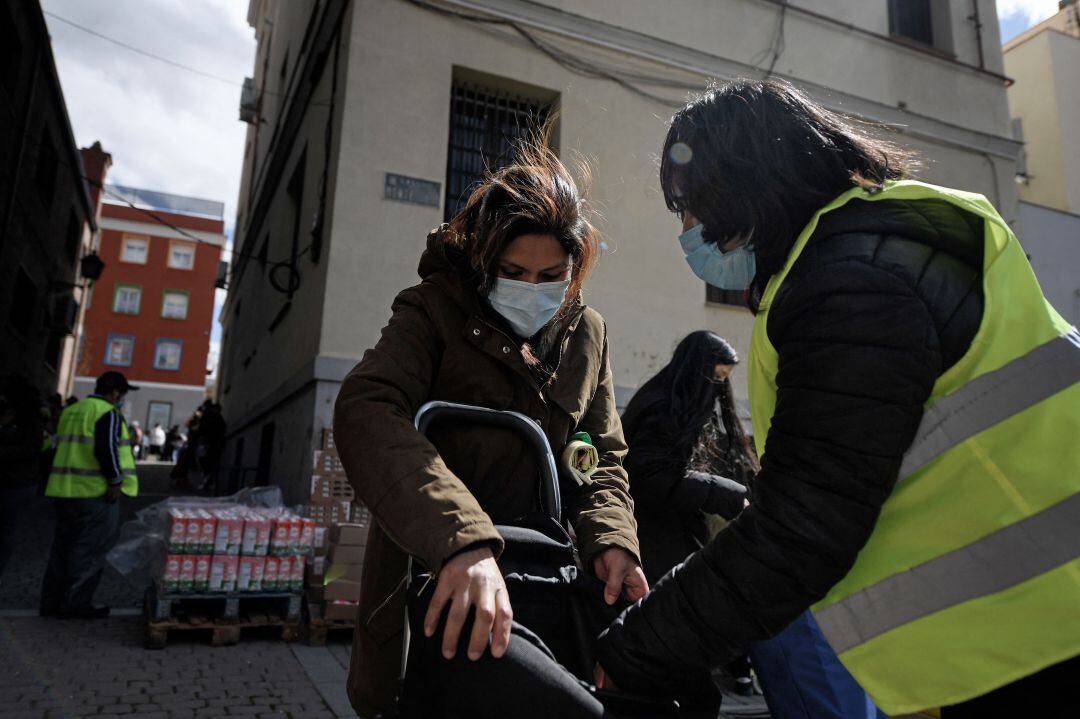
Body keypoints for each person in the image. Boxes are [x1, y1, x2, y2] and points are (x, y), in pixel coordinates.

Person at [595, 79, 1080, 717]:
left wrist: (634, 649)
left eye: (690, 207)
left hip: (1043, 636)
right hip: (1022, 633)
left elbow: (801, 527)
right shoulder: (875, 251)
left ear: (743, 186)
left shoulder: (850, 283)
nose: (687, 231)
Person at [334, 138, 646, 718]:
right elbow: (367, 406)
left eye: (551, 275)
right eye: (513, 272)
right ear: (482, 260)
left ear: (576, 270)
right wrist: (460, 541)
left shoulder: (588, 334)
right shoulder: (431, 311)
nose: (532, 290)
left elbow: (600, 456)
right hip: (439, 577)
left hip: (544, 580)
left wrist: (612, 540)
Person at [620, 331, 754, 713]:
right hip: (652, 546)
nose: (719, 387)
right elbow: (650, 475)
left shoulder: (680, 401)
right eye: (716, 375)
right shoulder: (662, 406)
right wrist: (723, 494)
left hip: (671, 541)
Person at [40, 371, 139, 619]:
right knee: (89, 550)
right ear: (115, 392)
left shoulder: (72, 411)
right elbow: (107, 450)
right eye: (122, 394)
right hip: (95, 494)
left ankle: (51, 602)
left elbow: (54, 447)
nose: (122, 399)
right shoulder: (107, 413)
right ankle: (76, 604)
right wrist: (115, 481)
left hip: (64, 491)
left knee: (62, 547)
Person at [0, 375, 44, 581]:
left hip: (17, 483)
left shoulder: (30, 420)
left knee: (7, 529)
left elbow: (29, 449)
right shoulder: (8, 415)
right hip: (14, 480)